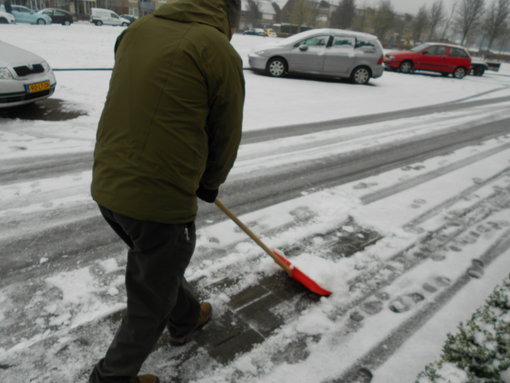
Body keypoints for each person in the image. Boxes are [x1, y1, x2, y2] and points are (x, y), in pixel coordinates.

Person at [89, 0, 244, 380]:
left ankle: (187, 318)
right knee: (150, 296)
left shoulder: (137, 31)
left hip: (108, 184)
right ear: (229, 15)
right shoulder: (218, 51)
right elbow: (225, 134)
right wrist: (209, 184)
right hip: (157, 200)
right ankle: (112, 376)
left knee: (157, 262)